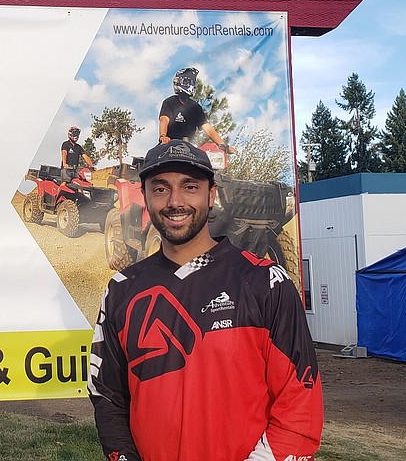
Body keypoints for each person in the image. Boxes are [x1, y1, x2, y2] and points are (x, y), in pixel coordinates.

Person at [89, 140, 322, 461]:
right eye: (160, 188)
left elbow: (300, 398)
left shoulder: (267, 283)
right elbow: (108, 395)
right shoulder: (120, 289)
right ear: (143, 196)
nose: (174, 201)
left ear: (211, 194)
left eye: (189, 186)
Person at [158, 67, 234, 154]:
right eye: (189, 82)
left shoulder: (195, 107)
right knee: (153, 159)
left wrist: (223, 145)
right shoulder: (169, 102)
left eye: (193, 83)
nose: (192, 85)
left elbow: (207, 128)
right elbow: (164, 119)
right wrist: (163, 136)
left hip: (188, 149)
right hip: (168, 146)